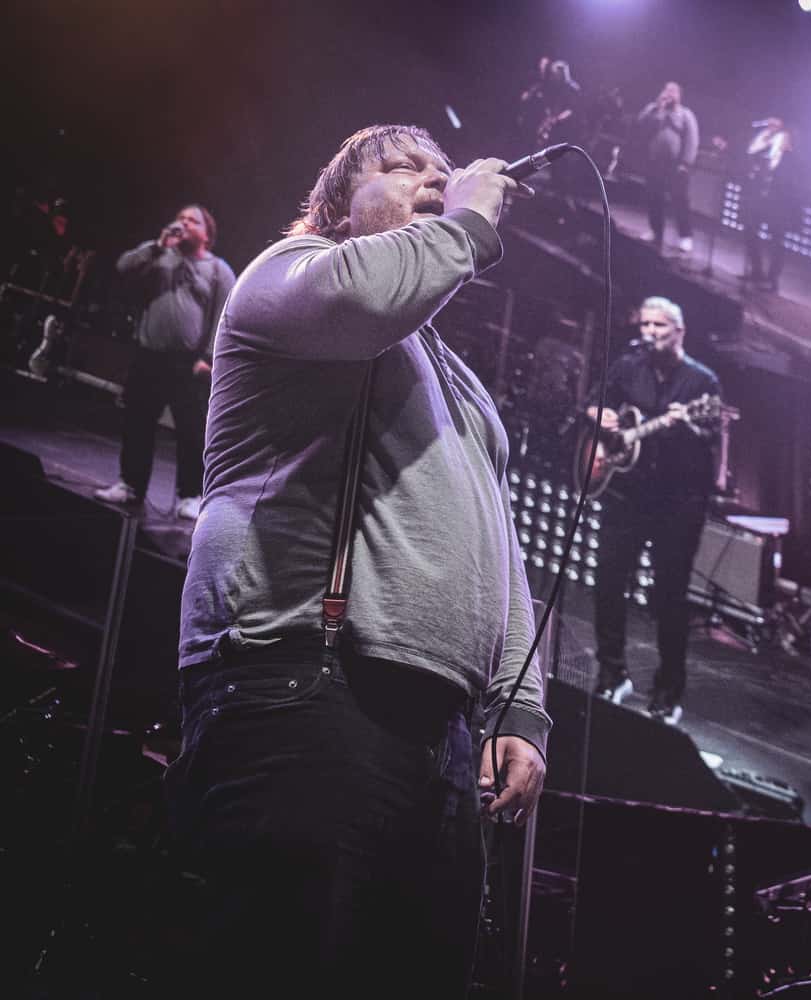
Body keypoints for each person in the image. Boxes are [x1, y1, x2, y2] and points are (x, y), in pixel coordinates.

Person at [166, 125, 550, 998]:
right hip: (303, 681)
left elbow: (498, 541)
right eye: (404, 169)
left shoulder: (460, 382)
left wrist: (519, 706)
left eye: (444, 174)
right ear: (337, 205)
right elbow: (367, 300)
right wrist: (467, 224)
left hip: (441, 730)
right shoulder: (291, 273)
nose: (434, 182)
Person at [590, 296, 721, 725]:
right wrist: (603, 418)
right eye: (645, 324)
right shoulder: (627, 367)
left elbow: (711, 437)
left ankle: (668, 691)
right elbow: (592, 404)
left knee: (668, 597)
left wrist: (687, 424)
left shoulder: (702, 382)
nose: (649, 332)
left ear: (679, 332)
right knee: (608, 582)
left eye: (659, 325)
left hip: (676, 504)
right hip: (626, 495)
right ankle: (612, 673)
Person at [93, 205, 234, 518]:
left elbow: (225, 318)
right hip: (149, 355)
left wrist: (208, 358)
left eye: (192, 221)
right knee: (138, 422)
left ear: (207, 235)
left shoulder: (217, 270)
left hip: (189, 363)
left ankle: (190, 495)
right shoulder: (159, 257)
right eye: (180, 218)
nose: (183, 223)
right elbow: (123, 266)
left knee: (191, 431)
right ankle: (131, 485)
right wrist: (157, 246)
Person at [636, 81, 700, 255]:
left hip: (677, 165)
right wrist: (657, 107)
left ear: (679, 96)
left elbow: (692, 140)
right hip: (655, 162)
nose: (669, 94)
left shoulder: (685, 114)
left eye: (673, 91)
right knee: (654, 197)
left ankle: (685, 237)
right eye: (667, 90)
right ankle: (656, 231)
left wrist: (686, 163)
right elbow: (640, 123)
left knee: (680, 200)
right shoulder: (654, 109)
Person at [741, 117, 798, 292]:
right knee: (750, 230)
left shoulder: (790, 159)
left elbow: (793, 183)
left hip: (778, 205)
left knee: (777, 240)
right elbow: (751, 154)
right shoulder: (763, 152)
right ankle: (756, 271)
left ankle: (772, 278)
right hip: (759, 200)